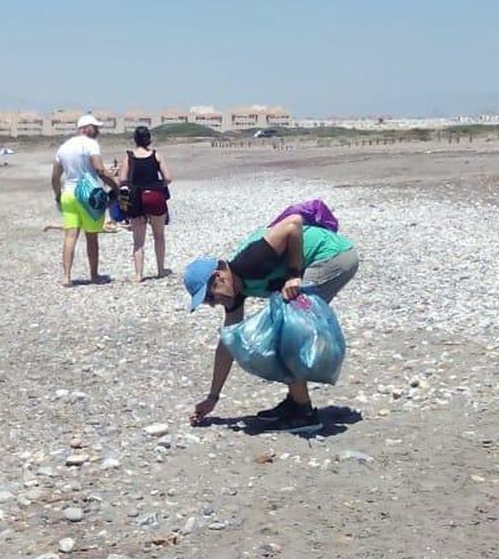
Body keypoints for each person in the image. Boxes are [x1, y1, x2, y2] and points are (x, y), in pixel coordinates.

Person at [185, 210, 359, 426]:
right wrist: (213, 398)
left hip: (333, 257)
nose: (213, 303)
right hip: (324, 259)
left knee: (288, 331)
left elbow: (293, 224)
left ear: (218, 277)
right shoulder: (235, 292)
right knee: (283, 329)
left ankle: (303, 413)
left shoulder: (251, 261)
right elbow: (228, 343)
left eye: (210, 297)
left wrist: (294, 275)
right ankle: (296, 402)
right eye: (207, 302)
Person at [51, 115, 119, 285]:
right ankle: (94, 275)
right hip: (88, 194)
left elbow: (55, 177)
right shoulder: (91, 144)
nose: (98, 131)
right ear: (85, 128)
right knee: (91, 237)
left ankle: (66, 276)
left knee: (70, 236)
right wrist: (116, 187)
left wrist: (58, 195)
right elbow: (100, 170)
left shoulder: (63, 147)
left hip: (68, 193)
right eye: (95, 127)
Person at [119, 125, 172, 281]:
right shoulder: (156, 155)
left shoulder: (129, 156)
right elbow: (168, 178)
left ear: (135, 140)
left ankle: (138, 274)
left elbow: (122, 179)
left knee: (138, 241)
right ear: (149, 139)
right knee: (159, 236)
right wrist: (157, 185)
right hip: (155, 196)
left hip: (136, 198)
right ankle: (160, 270)